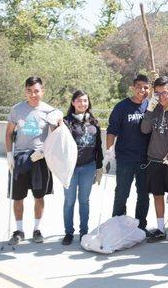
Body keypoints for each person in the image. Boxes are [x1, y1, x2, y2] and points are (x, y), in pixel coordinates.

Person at [6, 76, 62, 245]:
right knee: (18, 197)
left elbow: (56, 136)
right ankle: (19, 230)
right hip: (21, 158)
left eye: (36, 91)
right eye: (29, 91)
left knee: (39, 196)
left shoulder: (49, 111)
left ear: (42, 91)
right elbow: (9, 133)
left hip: (40, 158)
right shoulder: (17, 110)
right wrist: (9, 154)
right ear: (25, 91)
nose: (33, 94)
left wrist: (45, 151)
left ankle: (37, 229)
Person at [141, 76, 168, 244]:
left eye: (164, 93)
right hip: (154, 159)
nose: (161, 97)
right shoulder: (154, 109)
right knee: (157, 195)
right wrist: (150, 110)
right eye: (157, 93)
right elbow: (145, 129)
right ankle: (160, 229)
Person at [107, 74, 151, 233]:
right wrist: (109, 151)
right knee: (121, 193)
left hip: (145, 159)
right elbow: (111, 130)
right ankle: (117, 224)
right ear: (133, 87)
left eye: (146, 87)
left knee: (143, 195)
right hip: (125, 158)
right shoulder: (122, 106)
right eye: (139, 86)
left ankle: (140, 227)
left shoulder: (151, 106)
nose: (142, 90)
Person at [61, 90, 104, 245]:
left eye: (85, 100)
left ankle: (84, 232)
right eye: (79, 100)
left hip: (88, 167)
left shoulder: (94, 122)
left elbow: (98, 146)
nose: (82, 104)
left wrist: (99, 168)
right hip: (70, 169)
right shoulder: (65, 122)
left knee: (84, 201)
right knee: (69, 201)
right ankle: (68, 232)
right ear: (73, 103)